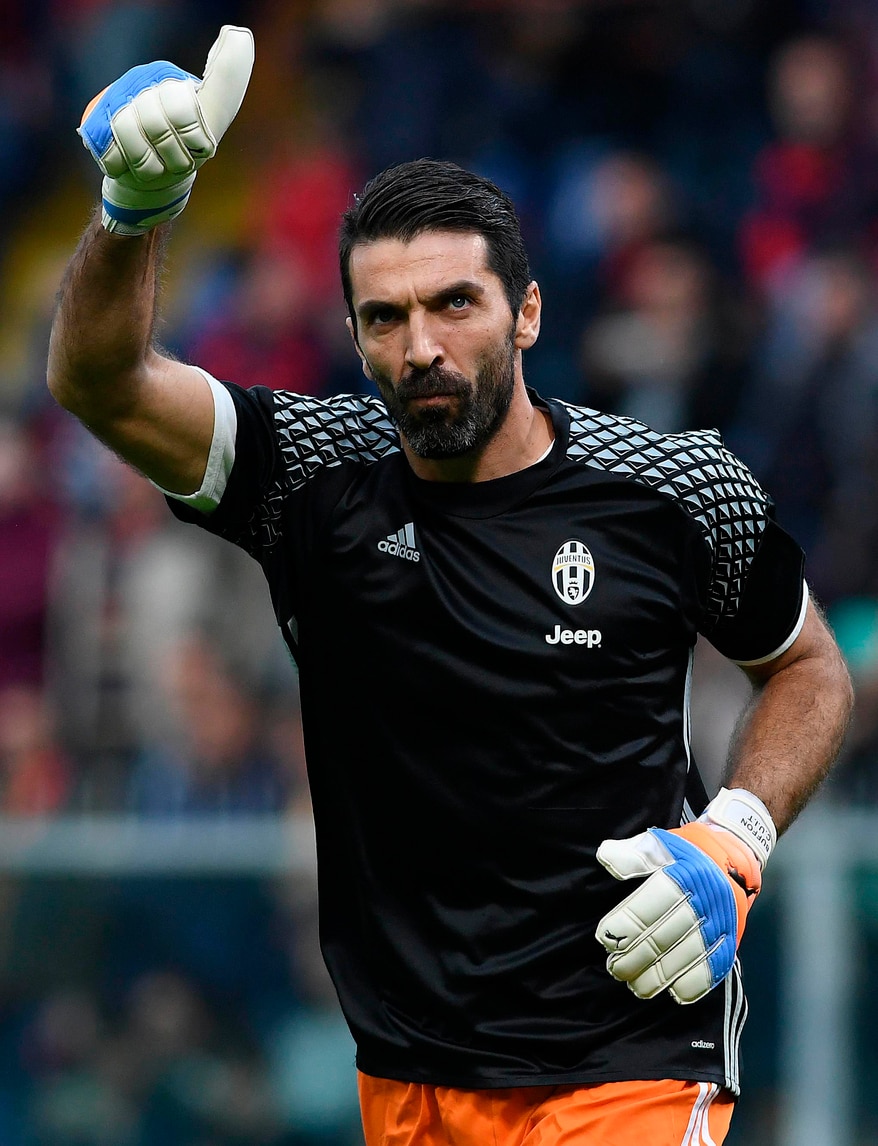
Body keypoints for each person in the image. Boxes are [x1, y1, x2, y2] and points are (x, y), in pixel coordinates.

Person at [47, 26, 853, 1146]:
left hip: (625, 1060)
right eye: (385, 317)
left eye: (454, 304)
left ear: (526, 312)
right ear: (354, 336)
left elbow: (809, 669)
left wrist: (733, 841)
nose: (420, 344)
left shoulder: (671, 487)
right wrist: (136, 211)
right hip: (409, 1075)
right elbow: (101, 381)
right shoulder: (312, 479)